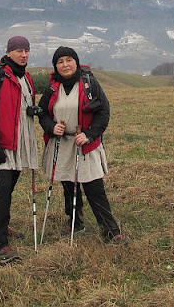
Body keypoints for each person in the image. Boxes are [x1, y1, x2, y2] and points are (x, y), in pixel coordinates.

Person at [38, 46, 124, 244]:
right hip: (62, 143)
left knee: (94, 186)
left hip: (85, 143)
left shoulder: (89, 84)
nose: (65, 65)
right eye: (60, 62)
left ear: (76, 62)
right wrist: (51, 127)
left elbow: (104, 112)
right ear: (55, 66)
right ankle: (75, 222)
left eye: (68, 60)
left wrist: (90, 134)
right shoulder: (53, 87)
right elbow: (42, 112)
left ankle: (110, 230)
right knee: (68, 185)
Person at [0, 35, 39, 264]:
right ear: (9, 52)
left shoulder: (26, 77)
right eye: (19, 50)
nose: (24, 55)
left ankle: (3, 226)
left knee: (8, 187)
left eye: (27, 50)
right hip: (2, 143)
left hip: (20, 142)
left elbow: (20, 106)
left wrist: (32, 111)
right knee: (2, 190)